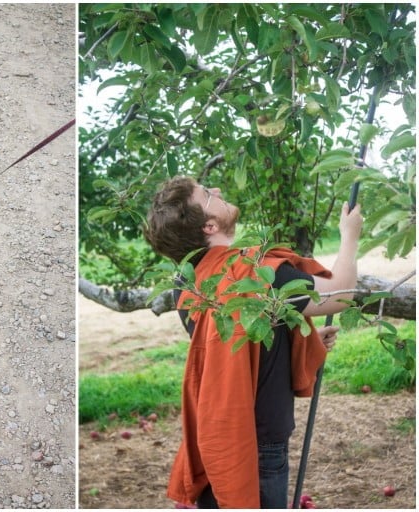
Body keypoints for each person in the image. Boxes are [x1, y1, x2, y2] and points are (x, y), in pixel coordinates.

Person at [143, 176, 363, 508]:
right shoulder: (256, 272)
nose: (216, 190)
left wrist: (300, 337)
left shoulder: (188, 286)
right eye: (206, 194)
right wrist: (349, 236)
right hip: (258, 443)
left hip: (218, 435)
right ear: (209, 225)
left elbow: (238, 346)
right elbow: (341, 295)